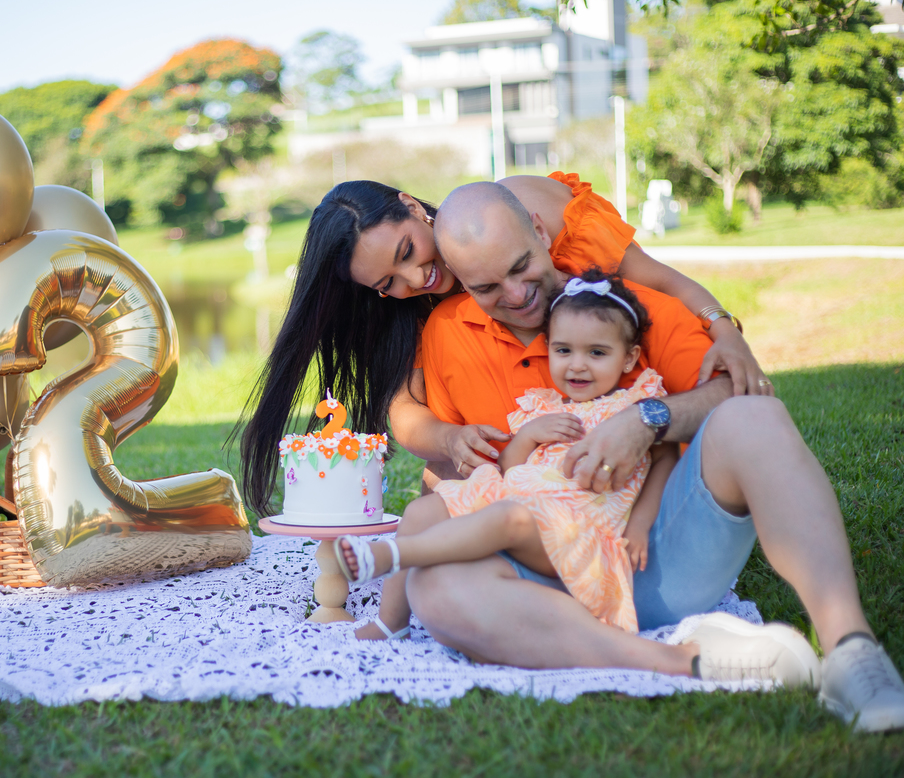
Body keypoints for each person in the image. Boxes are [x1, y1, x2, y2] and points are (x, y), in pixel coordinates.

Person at [400, 181, 904, 733]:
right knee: (431, 584)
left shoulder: (619, 306)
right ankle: (686, 663)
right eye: (488, 287)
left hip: (656, 554)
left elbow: (740, 391)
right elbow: (454, 476)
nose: (517, 295)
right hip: (537, 571)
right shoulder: (447, 333)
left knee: (753, 419)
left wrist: (645, 421)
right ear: (461, 283)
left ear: (541, 234)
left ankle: (851, 651)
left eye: (523, 266)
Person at [239, 173, 770, 639]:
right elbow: (405, 410)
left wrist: (721, 324)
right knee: (447, 501)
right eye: (387, 284)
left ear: (413, 205)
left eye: (407, 253)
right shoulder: (432, 320)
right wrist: (448, 442)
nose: (414, 280)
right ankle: (401, 609)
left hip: (618, 456)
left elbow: (659, 279)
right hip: (531, 473)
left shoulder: (517, 213)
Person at [334, 270, 677, 634]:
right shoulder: (544, 407)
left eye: (597, 352)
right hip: (522, 507)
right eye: (563, 351)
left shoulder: (636, 407)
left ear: (628, 358)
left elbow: (666, 459)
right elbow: (511, 469)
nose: (577, 364)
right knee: (421, 512)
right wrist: (528, 435)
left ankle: (390, 555)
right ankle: (391, 621)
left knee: (509, 516)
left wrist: (640, 524)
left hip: (578, 535)